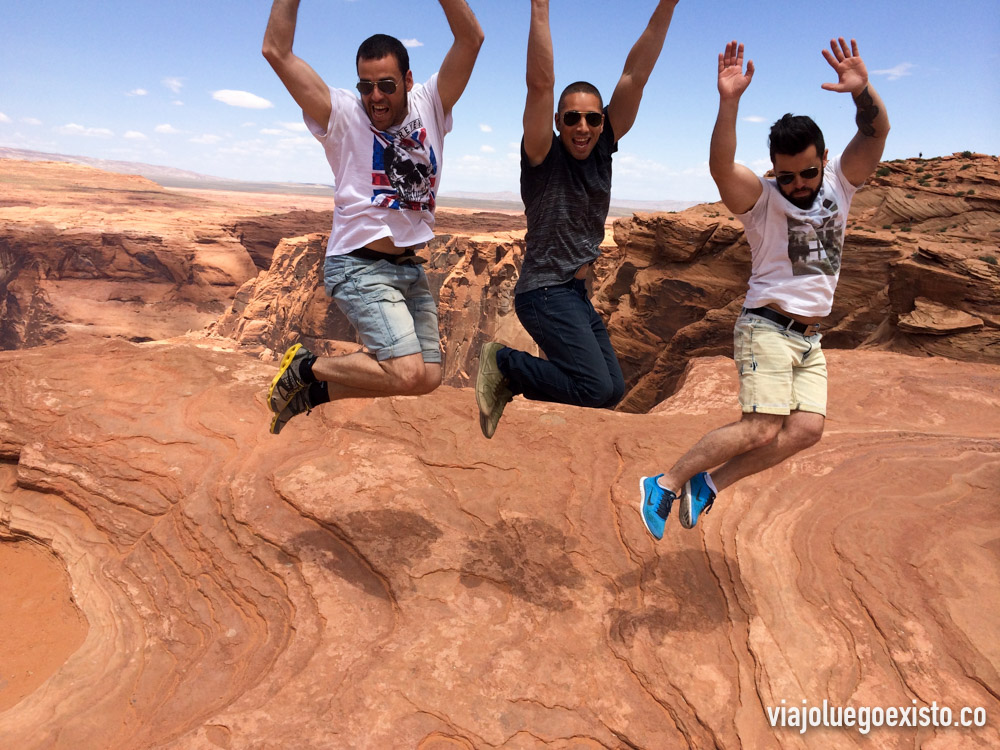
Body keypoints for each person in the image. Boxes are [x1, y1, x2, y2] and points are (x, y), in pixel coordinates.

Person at [640, 38, 890, 539]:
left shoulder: (841, 183)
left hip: (809, 339)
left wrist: (862, 92)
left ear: (824, 159)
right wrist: (728, 102)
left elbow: (875, 130)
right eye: (787, 175)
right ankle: (664, 483)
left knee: (806, 430)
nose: (799, 184)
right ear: (774, 168)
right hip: (768, 328)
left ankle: (708, 483)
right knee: (760, 426)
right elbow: (721, 168)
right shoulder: (763, 200)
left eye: (808, 172)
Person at [261, 0, 483, 434]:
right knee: (405, 371)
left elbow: (471, 38)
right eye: (366, 86)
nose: (375, 96)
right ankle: (306, 367)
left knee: (427, 378)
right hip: (358, 265)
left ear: (408, 80)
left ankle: (314, 393)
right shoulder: (342, 113)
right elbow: (276, 52)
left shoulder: (431, 103)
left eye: (386, 85)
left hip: (408, 268)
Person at [474, 0, 680, 439]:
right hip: (544, 292)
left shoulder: (603, 148)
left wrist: (667, 6)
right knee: (593, 388)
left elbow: (636, 75)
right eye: (572, 118)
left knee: (612, 390)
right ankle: (503, 362)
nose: (582, 127)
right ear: (558, 121)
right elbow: (540, 83)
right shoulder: (542, 155)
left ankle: (513, 380)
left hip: (574, 293)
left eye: (591, 118)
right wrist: (540, 9)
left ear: (603, 121)